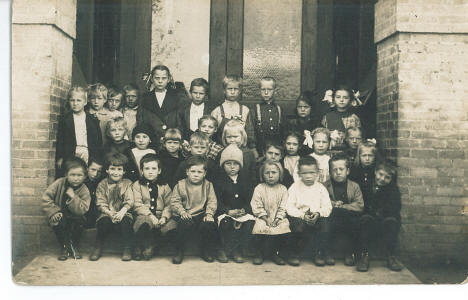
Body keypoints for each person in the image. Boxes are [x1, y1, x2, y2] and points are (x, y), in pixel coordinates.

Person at [356, 160, 403, 272]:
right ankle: (365, 255)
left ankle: (390, 256)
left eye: (387, 177)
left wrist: (382, 213)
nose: (382, 179)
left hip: (385, 217)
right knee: (365, 220)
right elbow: (363, 204)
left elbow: (395, 207)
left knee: (391, 222)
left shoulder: (393, 189)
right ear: (375, 172)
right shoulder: (366, 186)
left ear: (391, 179)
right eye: (380, 174)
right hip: (370, 216)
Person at [286, 156, 333, 267]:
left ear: (317, 173)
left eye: (312, 172)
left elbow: (327, 207)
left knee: (325, 226)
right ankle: (294, 254)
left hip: (317, 217)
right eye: (304, 173)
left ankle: (319, 253)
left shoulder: (321, 188)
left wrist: (318, 214)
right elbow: (289, 207)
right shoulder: (294, 187)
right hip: (300, 217)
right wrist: (302, 215)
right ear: (299, 174)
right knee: (296, 227)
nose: (308, 176)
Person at [170, 156, 218, 264]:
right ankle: (179, 250)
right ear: (187, 172)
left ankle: (205, 250)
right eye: (193, 171)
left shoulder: (208, 185)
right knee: (184, 224)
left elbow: (212, 201)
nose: (196, 174)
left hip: (201, 213)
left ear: (204, 173)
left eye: (199, 172)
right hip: (185, 213)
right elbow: (175, 201)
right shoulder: (180, 184)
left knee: (208, 224)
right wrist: (181, 211)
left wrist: (209, 214)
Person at [42, 157, 91, 260]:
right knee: (59, 223)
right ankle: (64, 248)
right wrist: (54, 212)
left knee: (79, 224)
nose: (76, 178)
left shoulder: (84, 190)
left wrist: (73, 197)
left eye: (79, 175)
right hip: (60, 214)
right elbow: (46, 198)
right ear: (66, 175)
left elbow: (83, 209)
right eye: (72, 175)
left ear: (85, 176)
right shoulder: (59, 183)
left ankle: (74, 247)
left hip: (76, 217)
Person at [213, 144, 255, 263]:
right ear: (222, 165)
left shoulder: (245, 180)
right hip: (226, 212)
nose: (232, 167)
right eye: (228, 163)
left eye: (235, 164)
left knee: (248, 223)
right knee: (226, 223)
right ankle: (224, 249)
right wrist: (227, 211)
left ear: (240, 165)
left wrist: (244, 210)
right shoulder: (219, 181)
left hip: (241, 212)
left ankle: (237, 250)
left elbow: (250, 199)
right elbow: (216, 201)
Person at [90, 153, 134, 261]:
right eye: (112, 169)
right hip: (107, 212)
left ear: (124, 171)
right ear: (107, 170)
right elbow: (100, 202)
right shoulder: (102, 184)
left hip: (124, 212)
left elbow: (130, 200)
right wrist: (109, 213)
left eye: (119, 169)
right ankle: (98, 246)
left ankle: (127, 248)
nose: (115, 172)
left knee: (126, 222)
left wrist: (122, 212)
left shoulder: (128, 183)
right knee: (103, 222)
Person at [132, 154, 176, 261]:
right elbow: (137, 204)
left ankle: (153, 246)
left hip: (161, 215)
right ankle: (139, 246)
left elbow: (169, 204)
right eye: (147, 169)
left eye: (154, 168)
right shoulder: (137, 185)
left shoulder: (165, 186)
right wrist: (151, 216)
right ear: (142, 171)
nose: (150, 171)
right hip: (145, 215)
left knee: (172, 227)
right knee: (143, 223)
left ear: (159, 171)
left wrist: (164, 217)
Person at [323, 152, 364, 266]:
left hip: (348, 217)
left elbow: (359, 205)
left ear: (348, 171)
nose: (338, 172)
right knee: (326, 223)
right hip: (332, 217)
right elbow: (320, 201)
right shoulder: (324, 186)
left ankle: (349, 253)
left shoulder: (354, 186)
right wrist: (333, 204)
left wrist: (343, 206)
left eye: (341, 169)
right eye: (334, 170)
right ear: (330, 172)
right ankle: (327, 252)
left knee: (354, 223)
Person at [250, 160, 290, 265]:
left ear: (280, 174)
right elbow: (256, 205)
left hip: (278, 218)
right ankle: (259, 253)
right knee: (259, 226)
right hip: (263, 217)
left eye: (274, 173)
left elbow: (284, 206)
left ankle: (277, 254)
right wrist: (265, 217)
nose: (270, 176)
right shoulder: (259, 188)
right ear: (262, 175)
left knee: (283, 227)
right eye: (267, 173)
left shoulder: (283, 189)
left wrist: (278, 219)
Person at [56, 86, 102, 177]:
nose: (75, 103)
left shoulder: (92, 119)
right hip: (71, 152)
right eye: (72, 100)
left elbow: (98, 140)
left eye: (78, 100)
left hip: (87, 152)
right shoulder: (65, 119)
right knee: (72, 175)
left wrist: (96, 158)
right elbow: (61, 139)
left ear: (85, 102)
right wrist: (60, 157)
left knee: (86, 176)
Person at [137, 65, 187, 146]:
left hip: (171, 143)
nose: (160, 81)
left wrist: (173, 137)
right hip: (152, 142)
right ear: (152, 79)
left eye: (163, 78)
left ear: (169, 79)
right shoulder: (145, 98)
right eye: (157, 78)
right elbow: (141, 122)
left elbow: (181, 123)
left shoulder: (176, 97)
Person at [211, 75, 257, 156]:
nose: (232, 92)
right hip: (222, 150)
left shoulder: (245, 110)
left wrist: (253, 148)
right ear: (224, 90)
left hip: (241, 150)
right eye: (229, 89)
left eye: (235, 89)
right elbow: (212, 134)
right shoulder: (217, 111)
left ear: (239, 91)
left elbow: (250, 132)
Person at [252, 77, 286, 155]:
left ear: (275, 91)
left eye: (269, 89)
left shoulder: (279, 109)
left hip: (277, 150)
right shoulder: (255, 109)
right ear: (259, 90)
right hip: (260, 149)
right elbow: (251, 131)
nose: (266, 92)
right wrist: (253, 148)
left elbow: (284, 130)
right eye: (263, 89)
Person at [322, 85, 361, 149]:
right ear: (333, 99)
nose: (341, 100)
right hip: (330, 150)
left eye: (345, 98)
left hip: (349, 150)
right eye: (338, 97)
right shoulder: (327, 117)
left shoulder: (354, 118)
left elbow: (358, 137)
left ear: (350, 100)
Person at [221, 119, 257, 184]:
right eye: (229, 137)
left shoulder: (248, 153)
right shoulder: (223, 153)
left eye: (235, 137)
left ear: (242, 136)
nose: (232, 140)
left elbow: (253, 173)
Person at [285, 91, 321, 156]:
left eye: (306, 107)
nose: (302, 109)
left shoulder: (316, 124)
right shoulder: (292, 123)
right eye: (300, 107)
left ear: (311, 108)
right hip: (295, 154)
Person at [349, 140, 381, 205]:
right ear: (359, 156)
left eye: (370, 155)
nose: (367, 158)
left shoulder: (377, 170)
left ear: (374, 156)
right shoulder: (354, 170)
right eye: (364, 155)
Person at [84, 157, 104, 229]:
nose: (95, 174)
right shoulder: (81, 182)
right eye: (93, 170)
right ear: (87, 169)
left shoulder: (102, 183)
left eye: (99, 171)